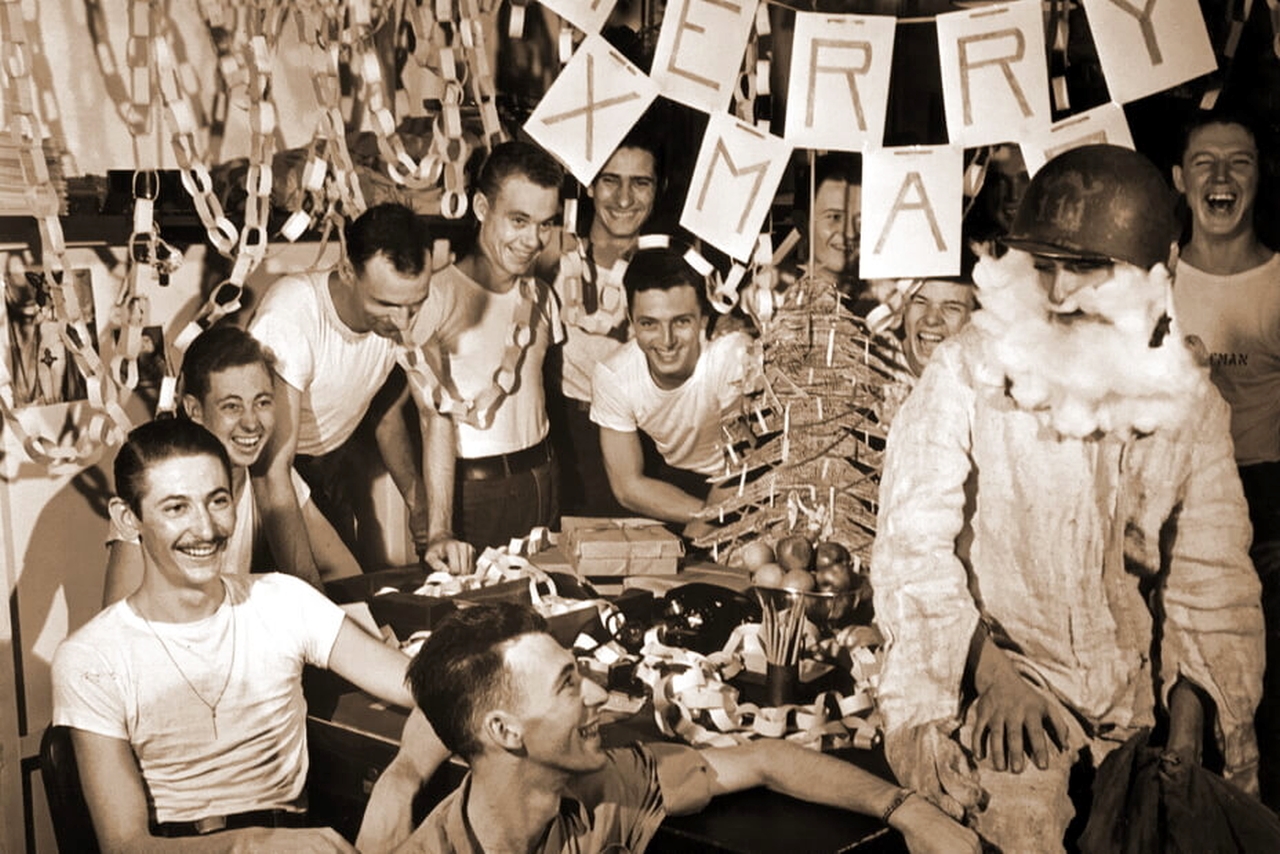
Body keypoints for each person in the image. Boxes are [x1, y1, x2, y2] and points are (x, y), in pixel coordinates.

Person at [871, 144, 1265, 852]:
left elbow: (1212, 579)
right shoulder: (969, 367)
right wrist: (992, 677)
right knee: (1017, 819)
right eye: (1045, 266)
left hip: (1132, 696)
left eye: (1088, 269)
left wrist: (1186, 730)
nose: (1058, 294)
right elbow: (912, 549)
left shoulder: (1188, 399)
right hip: (1001, 677)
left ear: (1160, 270)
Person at [51, 418, 450, 850]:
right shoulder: (91, 657)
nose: (205, 529)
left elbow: (439, 690)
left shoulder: (283, 601)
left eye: (217, 500)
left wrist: (404, 774)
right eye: (176, 507)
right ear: (129, 519)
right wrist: (254, 845)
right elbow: (126, 845)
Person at [367, 601, 980, 853]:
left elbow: (764, 758)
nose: (597, 695)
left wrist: (905, 807)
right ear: (505, 732)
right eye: (566, 687)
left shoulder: (602, 785)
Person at [249, 202, 471, 573]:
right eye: (385, 304)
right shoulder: (290, 315)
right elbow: (272, 472)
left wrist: (438, 529)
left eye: (413, 305)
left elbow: (434, 414)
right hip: (267, 475)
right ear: (347, 271)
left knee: (350, 595)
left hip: (331, 464)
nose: (402, 322)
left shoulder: (408, 310)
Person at [1170, 109, 1280, 805]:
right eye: (1204, 162)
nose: (1219, 176)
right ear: (1180, 180)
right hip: (1166, 501)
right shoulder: (1147, 281)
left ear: (1258, 178)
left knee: (1252, 706)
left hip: (1263, 507)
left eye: (1237, 161)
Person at [101, 324, 361, 605]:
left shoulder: (268, 475)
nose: (251, 423)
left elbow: (343, 571)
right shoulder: (154, 482)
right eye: (232, 407)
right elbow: (117, 624)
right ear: (194, 410)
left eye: (262, 402)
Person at [410, 141, 564, 550]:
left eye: (545, 223)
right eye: (519, 220)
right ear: (481, 209)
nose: (533, 239)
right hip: (471, 494)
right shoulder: (435, 298)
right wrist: (438, 525)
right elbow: (429, 419)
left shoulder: (544, 298)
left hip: (542, 479)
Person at [542, 125, 664, 517]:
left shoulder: (670, 267)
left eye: (640, 183)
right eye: (611, 180)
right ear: (590, 186)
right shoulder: (547, 255)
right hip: (565, 437)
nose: (625, 198)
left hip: (644, 438)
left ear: (657, 188)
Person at [590, 245, 751, 526]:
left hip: (746, 480)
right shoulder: (613, 376)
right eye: (649, 323)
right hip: (673, 486)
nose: (666, 341)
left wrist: (706, 527)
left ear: (703, 318)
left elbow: (746, 462)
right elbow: (628, 488)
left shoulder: (732, 355)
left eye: (681, 322)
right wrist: (705, 518)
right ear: (631, 320)